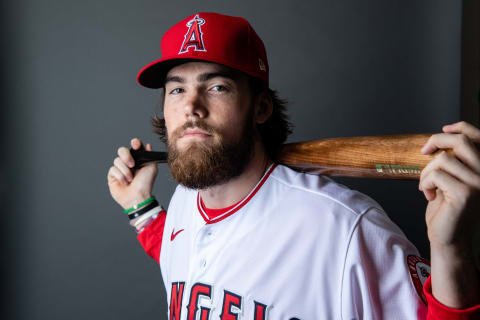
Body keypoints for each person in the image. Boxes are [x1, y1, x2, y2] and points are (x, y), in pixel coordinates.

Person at [107, 12, 480, 319]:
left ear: (261, 108)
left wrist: (451, 251)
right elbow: (196, 264)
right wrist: (138, 208)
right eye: (177, 89)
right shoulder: (187, 204)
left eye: (217, 86)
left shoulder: (347, 228)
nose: (191, 107)